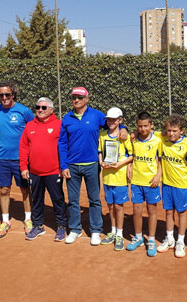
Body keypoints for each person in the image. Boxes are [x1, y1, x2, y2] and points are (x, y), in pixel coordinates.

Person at [58, 87, 128, 245]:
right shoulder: (67, 118)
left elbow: (113, 124)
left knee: (94, 199)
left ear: (87, 99)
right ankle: (75, 229)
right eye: (74, 97)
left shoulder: (97, 115)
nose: (76, 100)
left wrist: (123, 129)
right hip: (72, 165)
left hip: (92, 165)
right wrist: (64, 166)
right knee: (73, 200)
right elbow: (62, 143)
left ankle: (96, 230)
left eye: (80, 97)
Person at [19, 97, 67, 241]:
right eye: (38, 107)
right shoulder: (29, 126)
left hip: (54, 171)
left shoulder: (59, 125)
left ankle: (61, 226)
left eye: (43, 108)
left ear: (51, 110)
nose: (40, 110)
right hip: (35, 172)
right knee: (37, 200)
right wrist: (23, 167)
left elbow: (65, 147)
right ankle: (38, 226)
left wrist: (62, 167)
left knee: (57, 199)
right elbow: (23, 147)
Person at [0, 80, 34, 238]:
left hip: (21, 159)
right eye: (1, 95)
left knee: (25, 190)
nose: (4, 97)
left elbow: (33, 129)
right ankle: (5, 221)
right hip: (2, 158)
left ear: (13, 94)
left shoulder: (24, 111)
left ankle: (28, 219)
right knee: (4, 190)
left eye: (7, 94)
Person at [126, 112, 162, 257]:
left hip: (151, 182)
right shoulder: (133, 139)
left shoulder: (158, 140)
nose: (143, 129)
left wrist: (158, 176)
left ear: (151, 125)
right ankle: (139, 237)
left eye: (146, 126)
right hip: (136, 181)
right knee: (137, 210)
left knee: (152, 211)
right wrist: (129, 167)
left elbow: (161, 161)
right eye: (140, 126)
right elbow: (132, 156)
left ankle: (151, 240)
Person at [98, 107, 133, 251]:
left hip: (120, 177)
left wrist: (120, 164)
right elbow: (100, 151)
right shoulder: (102, 135)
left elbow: (131, 155)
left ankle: (119, 233)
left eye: (114, 119)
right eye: (109, 119)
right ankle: (112, 231)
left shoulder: (124, 136)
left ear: (120, 120)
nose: (111, 122)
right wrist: (101, 162)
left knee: (119, 206)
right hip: (107, 176)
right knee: (110, 205)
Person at [157, 113, 187, 258]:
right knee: (168, 211)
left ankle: (180, 241)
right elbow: (146, 132)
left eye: (175, 131)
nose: (171, 133)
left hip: (181, 185)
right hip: (166, 184)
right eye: (169, 130)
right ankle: (170, 239)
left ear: (182, 131)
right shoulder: (162, 139)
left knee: (181, 213)